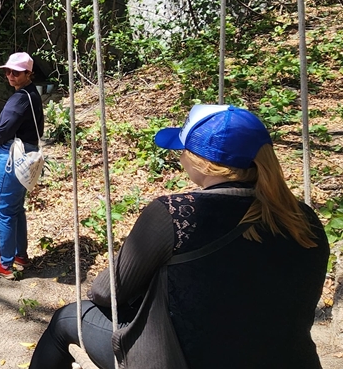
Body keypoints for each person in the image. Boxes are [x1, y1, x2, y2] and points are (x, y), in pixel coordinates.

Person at [30, 105, 329, 369]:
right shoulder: (303, 218)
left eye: (183, 149)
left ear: (200, 160)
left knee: (67, 320)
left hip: (185, 359)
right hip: (286, 359)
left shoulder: (175, 213)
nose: (180, 156)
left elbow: (107, 293)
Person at [0, 52, 42, 279]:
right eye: (7, 71)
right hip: (27, 152)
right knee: (15, 207)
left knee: (4, 208)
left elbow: (6, 128)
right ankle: (20, 255)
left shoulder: (19, 98)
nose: (10, 76)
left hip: (12, 154)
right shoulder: (31, 94)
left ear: (28, 73)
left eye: (16, 72)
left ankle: (6, 264)